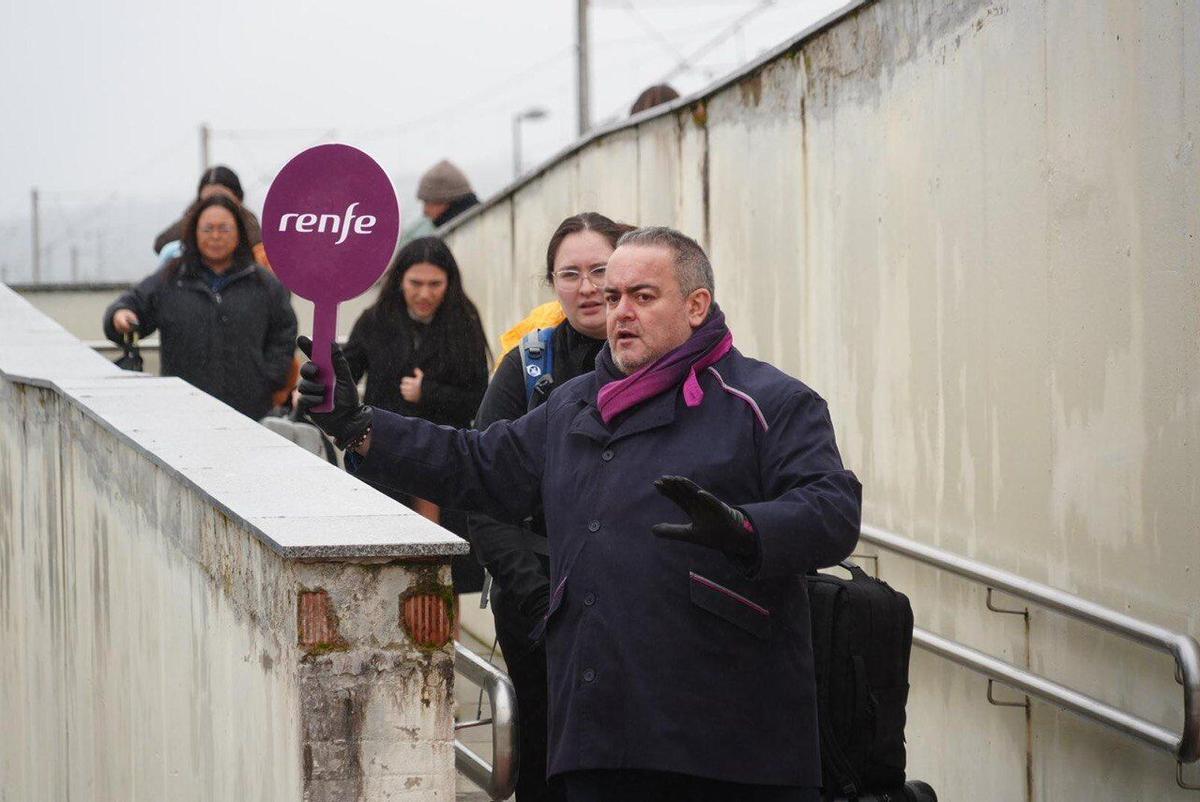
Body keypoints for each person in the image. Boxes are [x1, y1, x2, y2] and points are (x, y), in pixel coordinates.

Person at [296, 226, 861, 801]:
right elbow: (477, 464)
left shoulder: (768, 401)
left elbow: (833, 510)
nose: (620, 312)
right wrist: (359, 425)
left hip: (729, 749)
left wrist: (746, 530)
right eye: (615, 298)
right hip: (596, 734)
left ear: (697, 306)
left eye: (643, 296)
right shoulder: (573, 401)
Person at [471, 212, 634, 802]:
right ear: (553, 283)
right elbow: (481, 492)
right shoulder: (528, 366)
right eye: (571, 274)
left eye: (601, 271)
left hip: (642, 610)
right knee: (545, 762)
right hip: (537, 609)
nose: (588, 288)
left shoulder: (675, 364)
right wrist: (540, 600)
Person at [343, 236, 490, 593]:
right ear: (400, 281)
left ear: (449, 283)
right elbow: (346, 374)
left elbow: (480, 399)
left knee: (446, 577)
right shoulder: (375, 321)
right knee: (388, 570)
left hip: (446, 460)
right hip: (385, 461)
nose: (425, 294)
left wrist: (430, 393)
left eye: (435, 284)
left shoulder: (464, 323)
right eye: (416, 284)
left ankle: (447, 646)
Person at [104, 194, 297, 421]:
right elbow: (132, 304)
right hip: (182, 414)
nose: (215, 236)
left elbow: (284, 332)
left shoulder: (264, 283)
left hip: (250, 413)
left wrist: (268, 379)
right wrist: (121, 315)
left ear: (239, 234)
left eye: (224, 229)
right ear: (194, 233)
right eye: (207, 229)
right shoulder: (171, 278)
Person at [153, 165, 268, 267]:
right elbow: (161, 244)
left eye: (223, 200)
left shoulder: (248, 223)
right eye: (208, 201)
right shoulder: (192, 220)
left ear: (237, 199)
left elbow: (260, 249)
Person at [417, 159, 479, 228]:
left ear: (445, 202)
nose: (425, 211)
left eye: (427, 202)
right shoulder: (482, 224)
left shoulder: (457, 234)